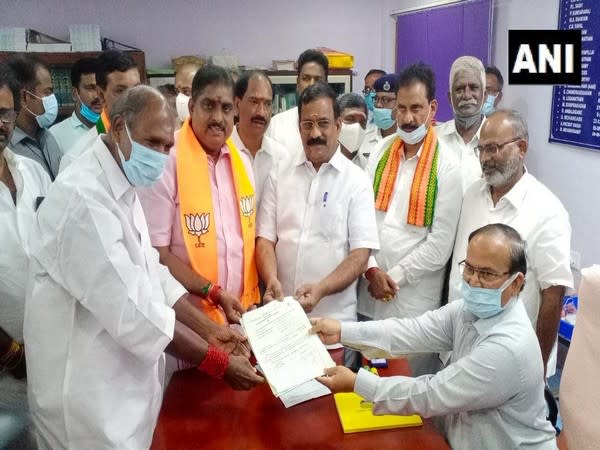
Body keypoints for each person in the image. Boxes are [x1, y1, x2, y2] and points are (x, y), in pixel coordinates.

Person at [24, 85, 264, 450]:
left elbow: (153, 275)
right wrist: (216, 361)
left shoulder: (122, 181)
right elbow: (134, 312)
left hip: (126, 401)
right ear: (118, 128)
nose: (162, 156)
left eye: (168, 146)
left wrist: (209, 329)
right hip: (87, 410)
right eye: (153, 143)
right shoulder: (84, 198)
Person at [312, 224, 558, 450]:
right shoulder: (468, 311)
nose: (473, 280)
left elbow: (430, 394)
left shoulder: (507, 348)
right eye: (469, 268)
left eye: (487, 274)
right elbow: (410, 332)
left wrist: (356, 383)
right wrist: (341, 331)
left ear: (516, 283)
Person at [256, 81, 379, 366]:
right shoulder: (280, 174)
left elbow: (361, 254)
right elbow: (265, 239)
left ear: (338, 125)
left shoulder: (356, 181)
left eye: (323, 123)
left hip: (334, 328)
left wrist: (322, 288)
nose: (315, 134)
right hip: (282, 323)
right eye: (307, 125)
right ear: (298, 127)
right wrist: (271, 278)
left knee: (330, 408)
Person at [448, 109, 572, 377]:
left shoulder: (546, 210)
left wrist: (534, 370)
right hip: (460, 350)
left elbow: (553, 295)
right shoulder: (472, 195)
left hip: (511, 362)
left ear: (521, 148)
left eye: (493, 149)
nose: (485, 158)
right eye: (480, 150)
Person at [357, 63, 461, 376]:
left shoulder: (448, 166)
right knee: (367, 386)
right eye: (400, 108)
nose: (407, 118)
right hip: (368, 292)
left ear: (432, 108)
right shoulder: (382, 150)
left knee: (408, 391)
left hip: (412, 304)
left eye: (416, 108)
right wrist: (371, 269)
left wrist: (393, 277)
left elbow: (440, 246)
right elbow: (360, 218)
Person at [138, 65, 259, 326]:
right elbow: (157, 254)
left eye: (226, 108)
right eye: (209, 106)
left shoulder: (243, 163)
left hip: (239, 319)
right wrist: (211, 291)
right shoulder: (167, 159)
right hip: (189, 322)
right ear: (192, 106)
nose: (218, 117)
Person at [0, 62, 51, 449]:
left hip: (49, 352)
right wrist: (11, 353)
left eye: (4, 113)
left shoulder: (33, 172)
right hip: (6, 365)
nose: (0, 123)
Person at [59, 49, 141, 171]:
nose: (131, 99)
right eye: (120, 91)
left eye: (136, 89)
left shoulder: (154, 143)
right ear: (101, 95)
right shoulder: (76, 159)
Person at [231, 70, 287, 203]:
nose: (261, 112)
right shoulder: (222, 150)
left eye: (267, 104)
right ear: (237, 104)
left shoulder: (281, 157)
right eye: (254, 102)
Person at [6, 54, 61, 180]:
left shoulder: (48, 137)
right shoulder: (8, 148)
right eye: (47, 92)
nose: (52, 98)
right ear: (24, 97)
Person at [436, 56, 487, 192]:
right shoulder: (434, 138)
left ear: (485, 95)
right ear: (449, 97)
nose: (467, 95)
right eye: (459, 89)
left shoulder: (501, 141)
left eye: (474, 88)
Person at [265, 49, 329, 155]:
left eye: (318, 79)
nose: (311, 85)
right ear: (298, 83)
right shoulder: (276, 125)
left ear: (326, 84)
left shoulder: (334, 127)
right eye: (306, 78)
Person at [49, 57, 103, 156]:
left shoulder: (116, 129)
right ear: (74, 93)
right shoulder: (55, 135)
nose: (98, 95)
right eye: (91, 88)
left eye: (101, 88)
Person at [359, 74, 399, 162]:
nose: (378, 105)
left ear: (400, 104)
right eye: (376, 99)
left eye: (386, 100)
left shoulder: (407, 140)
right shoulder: (363, 138)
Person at [336, 93, 368, 169]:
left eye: (362, 122)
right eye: (350, 119)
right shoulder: (321, 162)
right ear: (336, 123)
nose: (357, 127)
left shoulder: (368, 166)